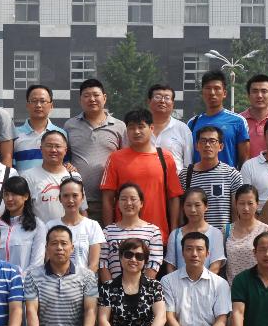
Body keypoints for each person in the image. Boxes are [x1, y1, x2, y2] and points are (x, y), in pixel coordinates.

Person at [100, 109, 184, 239]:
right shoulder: (115, 158)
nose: (136, 131)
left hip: (158, 236)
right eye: (131, 128)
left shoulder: (165, 157)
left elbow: (173, 197)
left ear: (151, 128)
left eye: (141, 127)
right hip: (123, 236)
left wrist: (174, 232)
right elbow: (107, 198)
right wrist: (109, 232)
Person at [63, 78, 126, 223]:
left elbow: (125, 160)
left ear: (104, 97)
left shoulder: (119, 126)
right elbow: (64, 157)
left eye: (96, 95)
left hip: (110, 200)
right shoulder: (70, 125)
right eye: (86, 96)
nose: (92, 99)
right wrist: (66, 165)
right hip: (77, 201)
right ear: (80, 100)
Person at [179, 125, 244, 228]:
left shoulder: (232, 174)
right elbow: (181, 211)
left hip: (222, 235)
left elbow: (236, 213)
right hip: (193, 235)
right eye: (203, 141)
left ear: (221, 146)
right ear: (197, 146)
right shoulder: (185, 174)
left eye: (212, 141)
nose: (207, 145)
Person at [99, 184, 163, 283]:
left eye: (133, 199)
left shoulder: (153, 231)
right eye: (123, 199)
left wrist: (142, 287)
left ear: (141, 203)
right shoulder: (107, 231)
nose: (128, 203)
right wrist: (111, 288)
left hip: (143, 288)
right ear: (118, 203)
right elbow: (102, 263)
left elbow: (154, 262)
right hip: (113, 289)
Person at [188, 71, 250, 168]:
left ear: (224, 93)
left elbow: (244, 159)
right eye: (208, 88)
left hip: (228, 177)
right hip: (198, 177)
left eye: (217, 88)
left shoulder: (238, 121)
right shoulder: (192, 123)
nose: (212, 93)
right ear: (202, 93)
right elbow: (189, 156)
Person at [44, 177, 104, 272]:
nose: (70, 200)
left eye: (75, 195)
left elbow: (94, 264)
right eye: (66, 196)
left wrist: (82, 280)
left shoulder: (93, 226)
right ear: (60, 198)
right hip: (56, 280)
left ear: (82, 198)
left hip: (85, 280)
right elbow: (48, 260)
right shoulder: (50, 226)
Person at [21, 131, 81, 223]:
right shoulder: (27, 177)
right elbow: (22, 211)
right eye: (49, 146)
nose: (53, 150)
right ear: (41, 149)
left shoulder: (74, 176)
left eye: (58, 146)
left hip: (69, 231)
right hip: (40, 231)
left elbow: (82, 210)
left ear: (65, 150)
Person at [163, 188, 225, 276]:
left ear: (206, 206)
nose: (193, 210)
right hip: (179, 283)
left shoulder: (216, 233)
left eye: (197, 205)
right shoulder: (175, 235)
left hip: (207, 283)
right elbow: (171, 266)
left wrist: (200, 283)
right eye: (188, 205)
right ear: (183, 207)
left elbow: (215, 266)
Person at [0, 176, 46, 275]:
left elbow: (37, 263)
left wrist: (18, 280)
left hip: (24, 282)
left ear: (26, 196)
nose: (9, 199)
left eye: (14, 194)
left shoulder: (37, 225)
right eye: (6, 194)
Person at [224, 185, 268, 283]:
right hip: (233, 288)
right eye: (241, 203)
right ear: (236, 204)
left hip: (258, 287)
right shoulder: (226, 230)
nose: (246, 208)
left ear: (257, 204)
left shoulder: (266, 230)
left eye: (250, 203)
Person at [13, 85, 67, 172]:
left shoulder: (61, 134)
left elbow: (66, 163)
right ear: (27, 105)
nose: (38, 105)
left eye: (43, 101)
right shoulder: (14, 134)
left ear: (51, 105)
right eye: (34, 101)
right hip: (23, 180)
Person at [148, 84, 193, 172]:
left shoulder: (183, 129)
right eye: (158, 97)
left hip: (175, 179)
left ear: (173, 103)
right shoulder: (140, 129)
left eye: (167, 98)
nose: (162, 101)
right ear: (149, 101)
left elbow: (188, 163)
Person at [239, 74, 268, 158]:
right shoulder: (239, 120)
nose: (259, 96)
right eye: (255, 91)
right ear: (248, 95)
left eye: (264, 91)